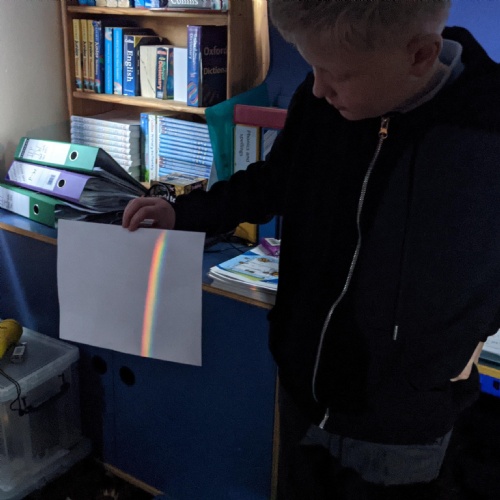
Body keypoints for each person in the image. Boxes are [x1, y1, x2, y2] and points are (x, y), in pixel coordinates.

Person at [123, 1, 500, 498]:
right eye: (312, 67)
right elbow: (276, 179)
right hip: (303, 384)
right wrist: (184, 213)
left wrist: (453, 350)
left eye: (336, 74)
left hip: (401, 419)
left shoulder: (486, 131)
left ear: (419, 55)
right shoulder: (324, 99)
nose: (318, 87)